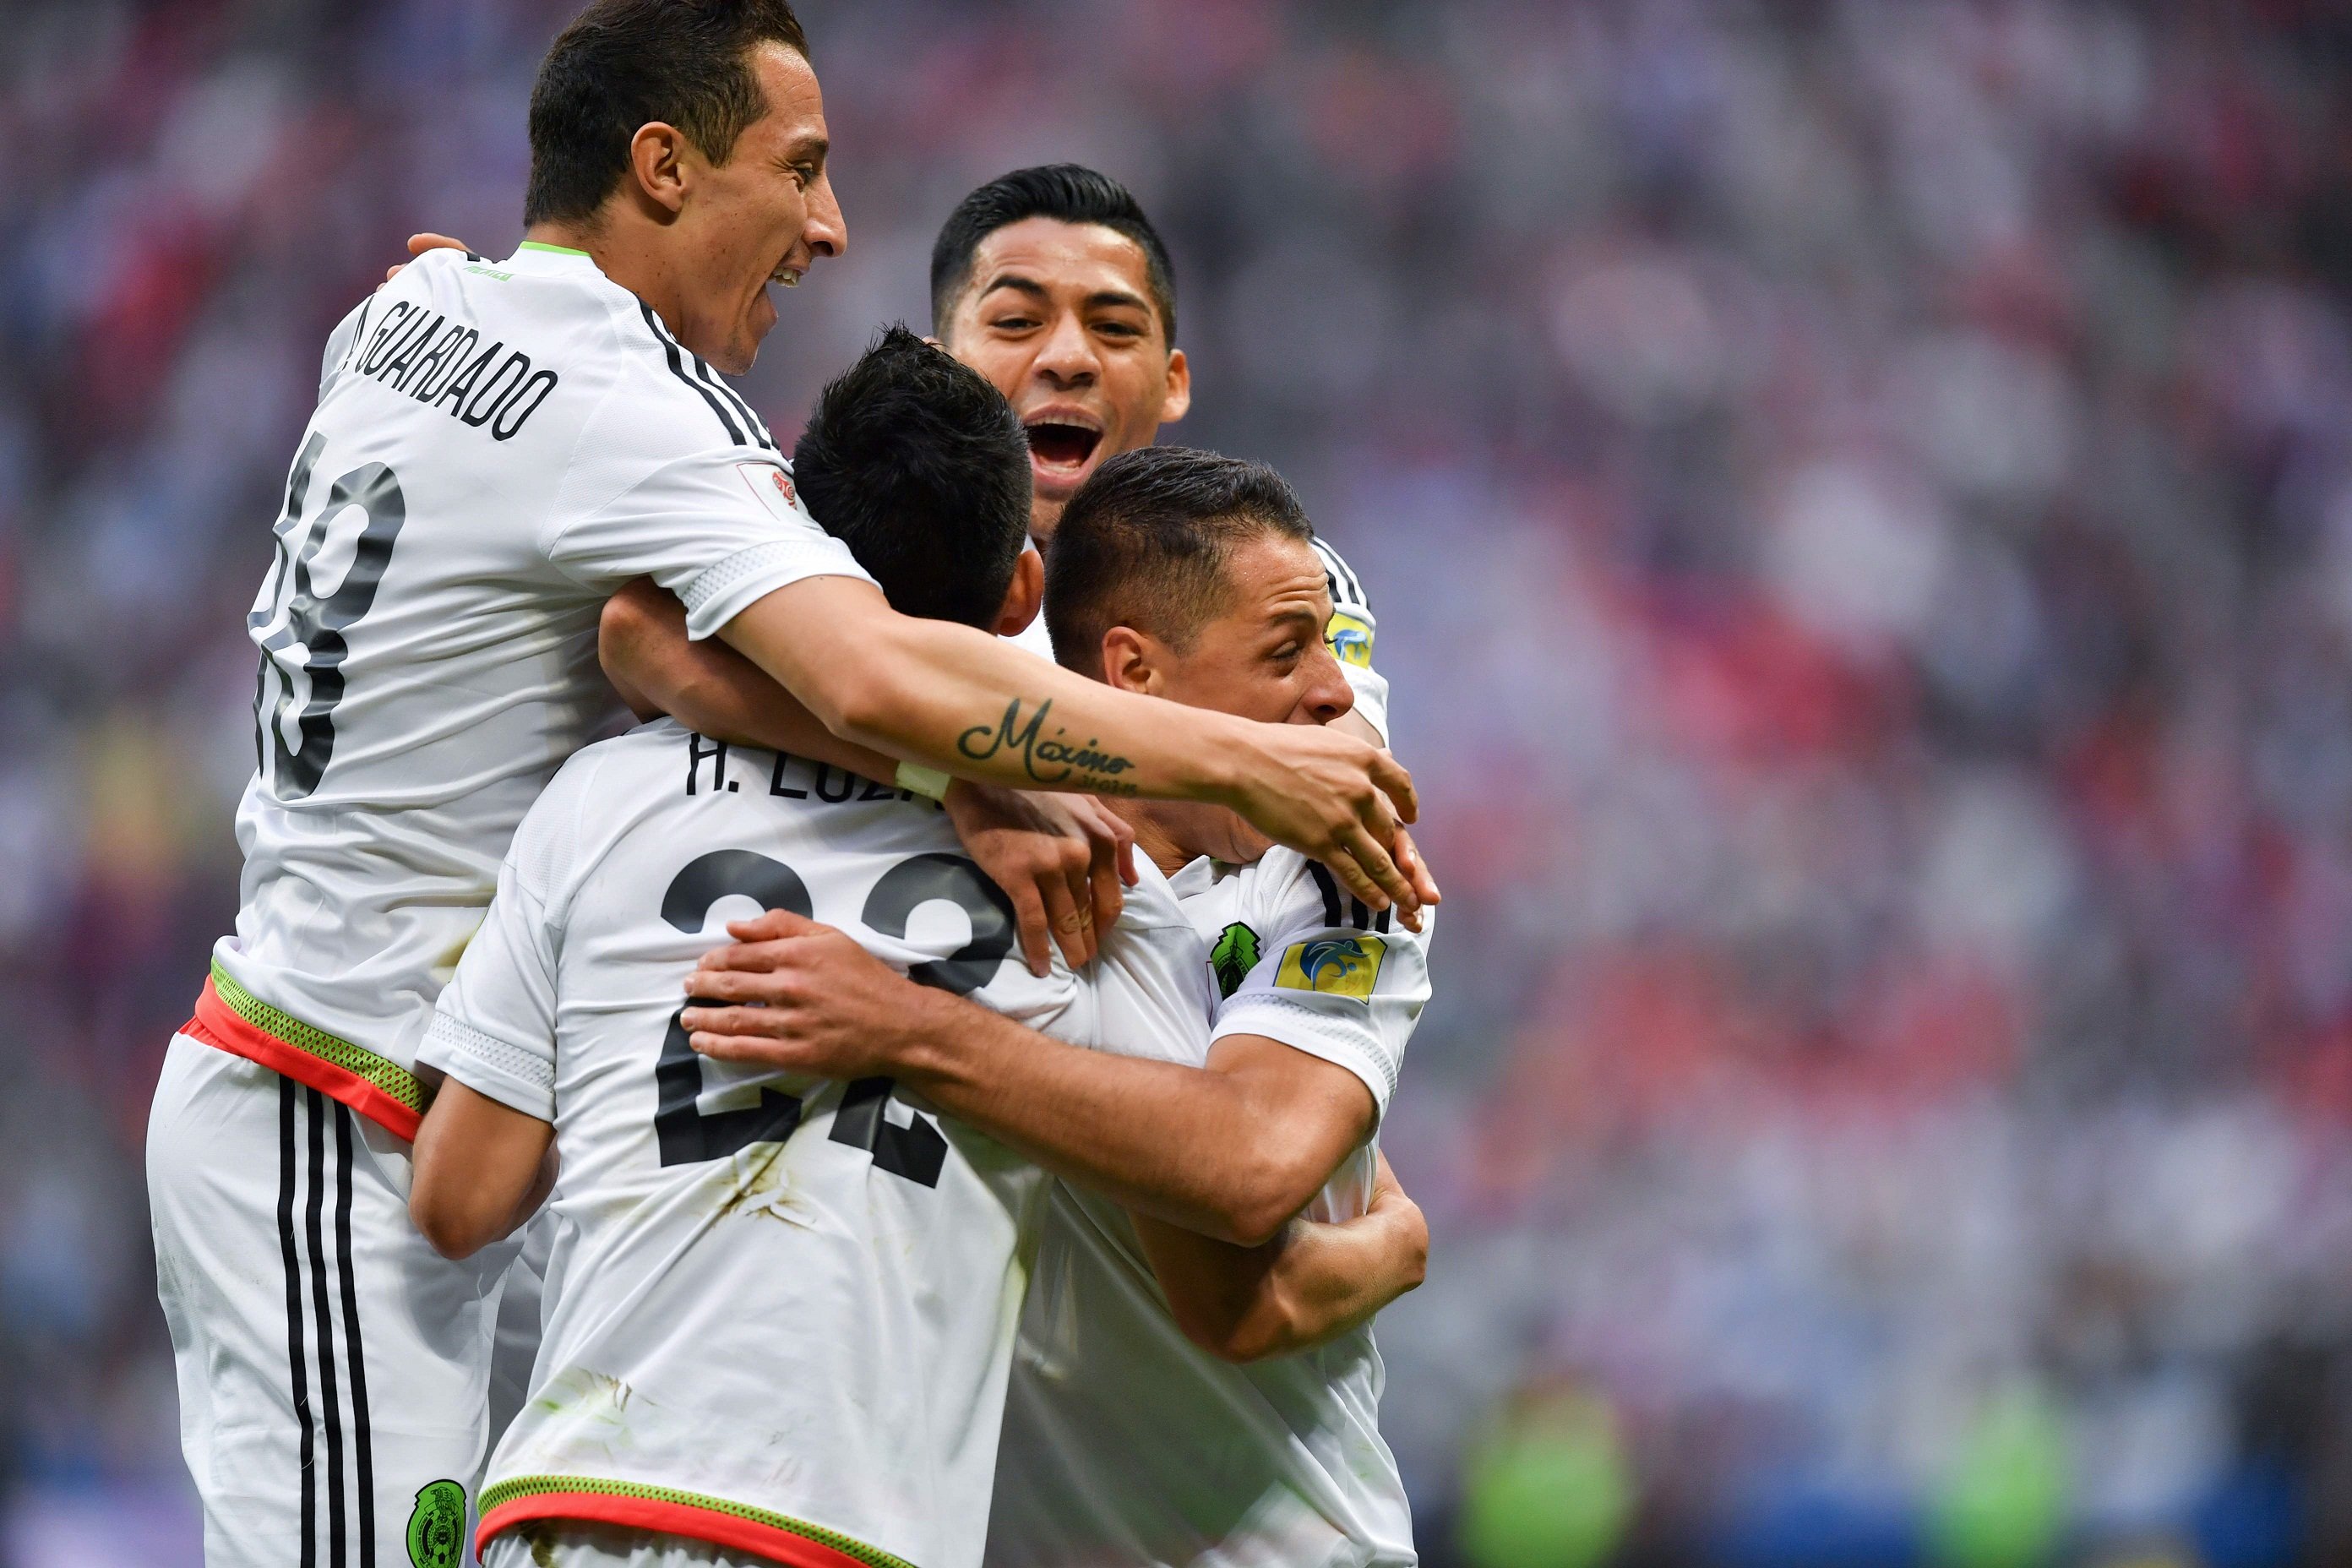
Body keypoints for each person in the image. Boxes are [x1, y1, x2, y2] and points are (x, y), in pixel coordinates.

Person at [146, 4, 1418, 1564]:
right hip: (345, 1103)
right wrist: (1004, 783)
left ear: (1178, 384)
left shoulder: (1273, 637)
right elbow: (749, 653)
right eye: (1014, 320)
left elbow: (658, 643)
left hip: (1169, 1501)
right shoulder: (718, 501)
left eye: (1113, 326)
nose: (825, 223)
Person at [406, 331, 1418, 1568]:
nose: (1331, 695)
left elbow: (458, 1200)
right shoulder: (1083, 897)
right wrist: (1385, 1248)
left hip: (567, 1501)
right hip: (842, 1528)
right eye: (1292, 650)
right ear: (1026, 617)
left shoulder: (602, 796)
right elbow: (1229, 1239)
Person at [687, 446, 1433, 1566]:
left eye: (1332, 644)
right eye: (1291, 652)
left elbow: (1250, 1182)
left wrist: (904, 1031)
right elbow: (648, 638)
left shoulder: (1345, 878)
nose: (1339, 691)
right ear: (1131, 674)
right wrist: (958, 776)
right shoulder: (975, 823)